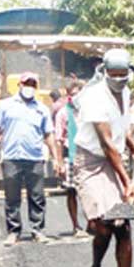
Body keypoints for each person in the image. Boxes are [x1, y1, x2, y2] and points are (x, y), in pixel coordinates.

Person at [73, 48, 134, 267]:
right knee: (103, 225)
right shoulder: (93, 97)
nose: (119, 80)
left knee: (123, 227)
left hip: (115, 160)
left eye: (123, 75)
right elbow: (106, 144)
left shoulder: (126, 92)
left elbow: (120, 127)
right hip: (92, 163)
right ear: (104, 72)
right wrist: (128, 182)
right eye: (113, 75)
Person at [0, 72, 64, 246]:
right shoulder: (5, 106)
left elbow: (48, 134)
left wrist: (57, 158)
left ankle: (38, 230)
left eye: (33, 84)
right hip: (11, 158)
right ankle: (13, 232)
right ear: (19, 85)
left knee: (37, 196)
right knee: (12, 197)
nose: (29, 87)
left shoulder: (41, 109)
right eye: (27, 83)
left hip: (34, 158)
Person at [55, 80, 88, 237]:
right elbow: (59, 139)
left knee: (89, 191)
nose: (75, 98)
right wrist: (59, 162)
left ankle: (92, 222)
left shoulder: (88, 111)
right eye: (72, 95)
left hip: (88, 155)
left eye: (77, 94)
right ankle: (76, 225)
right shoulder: (63, 113)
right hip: (70, 155)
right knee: (71, 191)